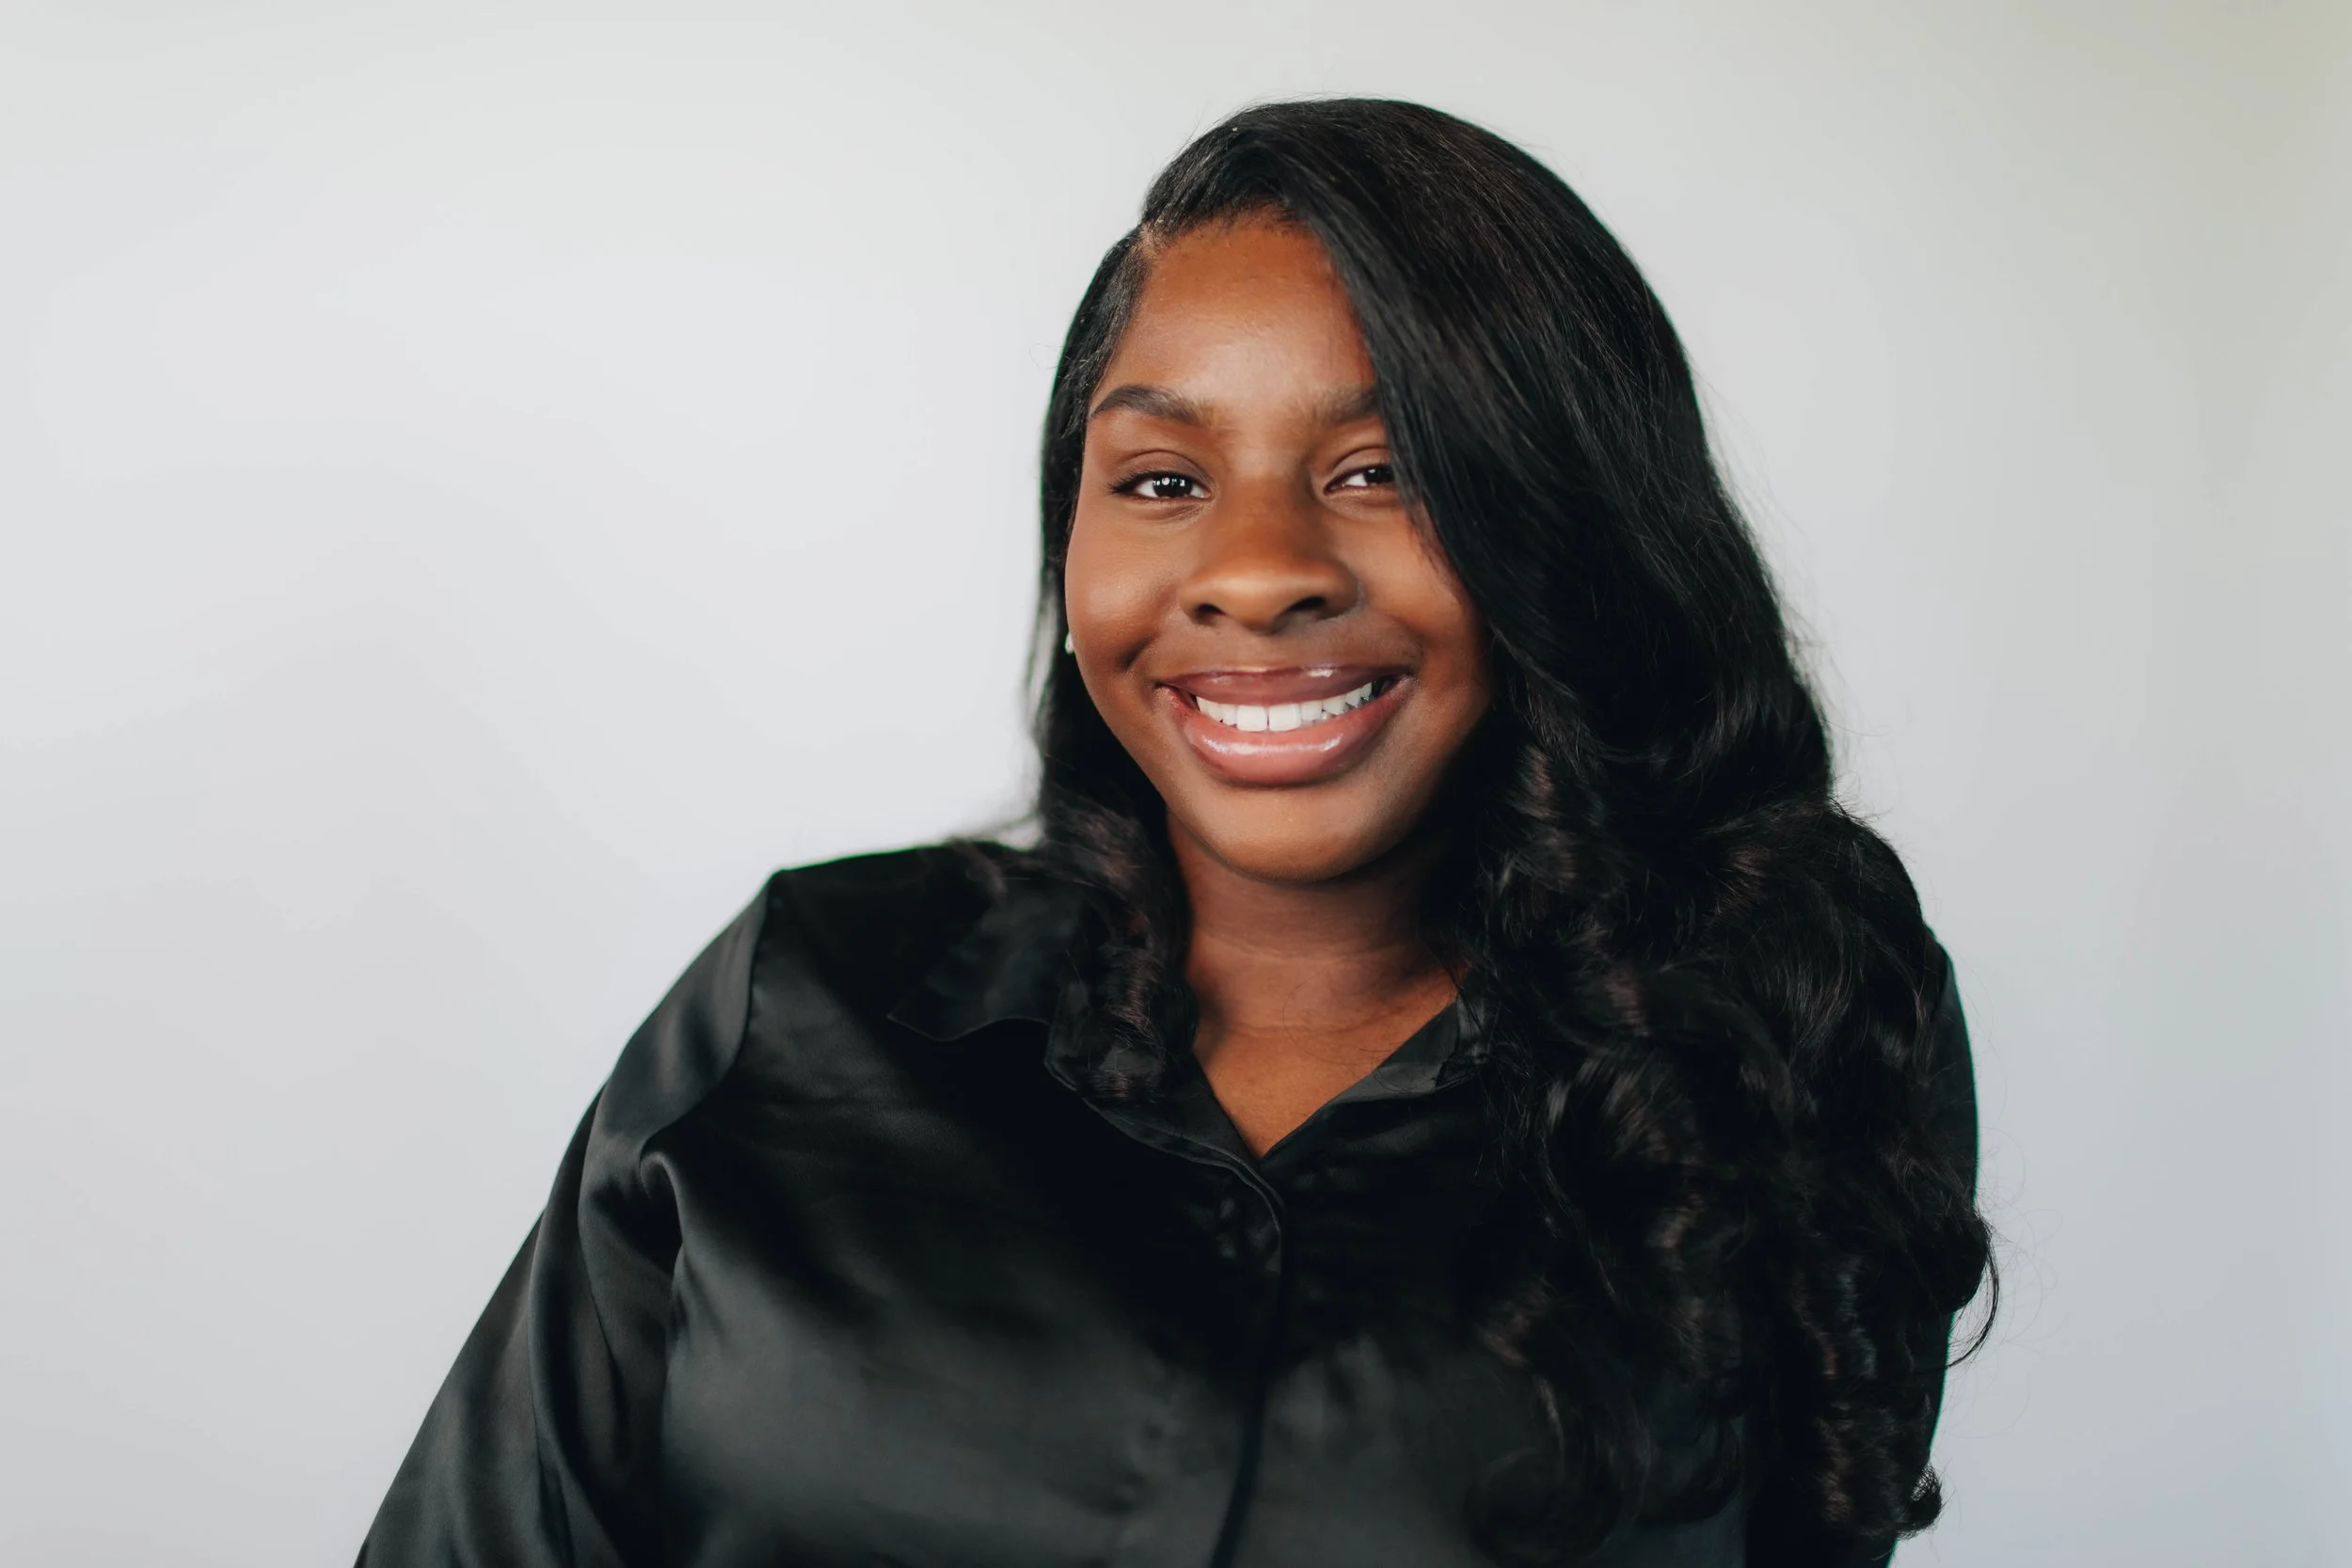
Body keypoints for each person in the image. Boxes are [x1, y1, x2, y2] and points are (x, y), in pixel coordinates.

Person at [358, 98, 1992, 1568]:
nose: (1259, 564)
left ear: (1561, 524)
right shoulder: (802, 994)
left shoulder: (1777, 1045)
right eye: (1159, 480)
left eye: (1382, 470)